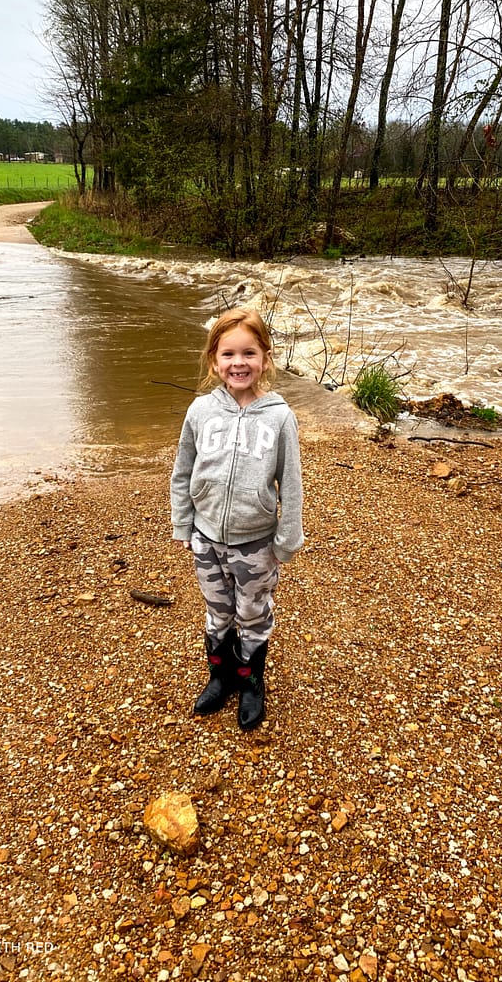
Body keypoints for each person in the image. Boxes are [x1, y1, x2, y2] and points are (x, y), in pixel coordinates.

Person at [170, 307, 304, 731]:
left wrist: (286, 540)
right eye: (228, 354)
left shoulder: (280, 417)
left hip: (257, 543)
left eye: (249, 352)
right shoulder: (199, 412)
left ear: (265, 358)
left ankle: (250, 680)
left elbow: (292, 484)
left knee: (252, 612)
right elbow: (183, 471)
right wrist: (182, 524)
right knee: (217, 611)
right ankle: (220, 676)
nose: (238, 363)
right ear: (214, 360)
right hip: (206, 537)